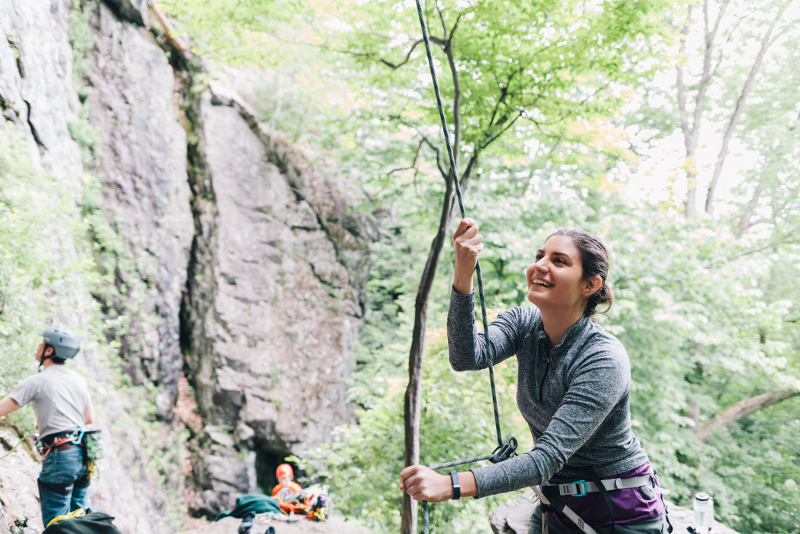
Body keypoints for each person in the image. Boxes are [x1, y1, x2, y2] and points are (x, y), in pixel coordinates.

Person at [400, 219, 670, 534]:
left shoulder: (603, 358)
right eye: (539, 256)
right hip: (557, 505)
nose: (540, 266)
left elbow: (548, 458)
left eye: (558, 261)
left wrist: (452, 485)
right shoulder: (525, 323)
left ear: (589, 285)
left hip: (619, 513)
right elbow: (466, 357)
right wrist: (463, 272)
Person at [0, 326, 94, 527]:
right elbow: (88, 417)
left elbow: (4, 407)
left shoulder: (39, 380)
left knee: (57, 524)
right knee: (82, 520)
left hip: (61, 456)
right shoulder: (78, 379)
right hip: (84, 455)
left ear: (49, 351)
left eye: (42, 343)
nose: (38, 346)